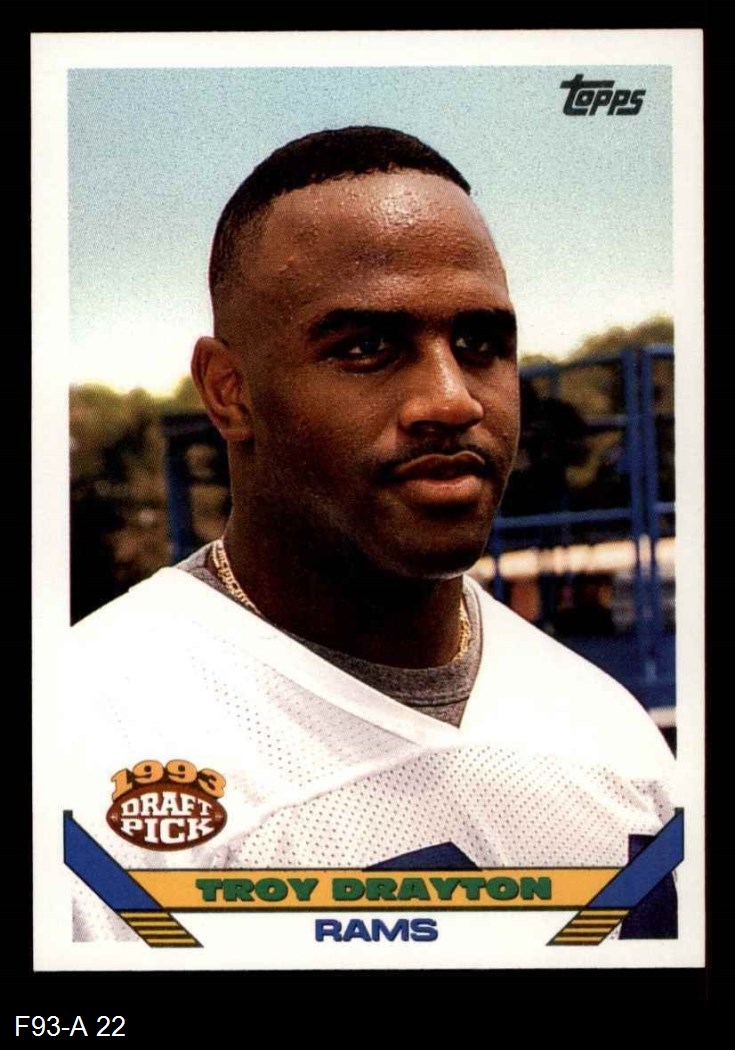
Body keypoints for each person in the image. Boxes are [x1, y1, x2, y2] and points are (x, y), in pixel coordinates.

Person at [68, 127, 675, 941]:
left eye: (480, 343)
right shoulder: (80, 737)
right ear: (228, 390)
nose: (451, 399)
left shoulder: (610, 735)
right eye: (365, 347)